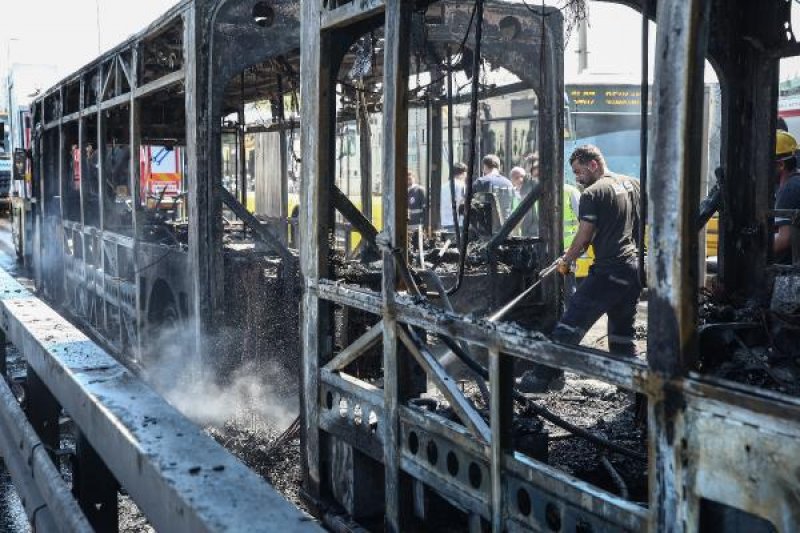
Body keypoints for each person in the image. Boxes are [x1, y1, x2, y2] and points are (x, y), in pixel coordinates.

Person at [518, 144, 642, 392]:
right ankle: (631, 384)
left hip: (608, 271)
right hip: (632, 269)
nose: (577, 178)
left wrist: (566, 260)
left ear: (593, 164)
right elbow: (638, 225)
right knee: (622, 331)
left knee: (570, 324)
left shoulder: (592, 193)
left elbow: (585, 237)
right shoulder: (632, 184)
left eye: (579, 172)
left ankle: (540, 378)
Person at [774, 130, 800, 263]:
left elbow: (784, 239)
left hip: (789, 271)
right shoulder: (796, 182)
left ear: (781, 165)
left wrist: (753, 252)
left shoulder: (789, 189)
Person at [441, 162, 467, 231]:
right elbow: (463, 203)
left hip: (444, 222)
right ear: (463, 173)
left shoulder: (443, 186)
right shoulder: (461, 185)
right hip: (458, 223)